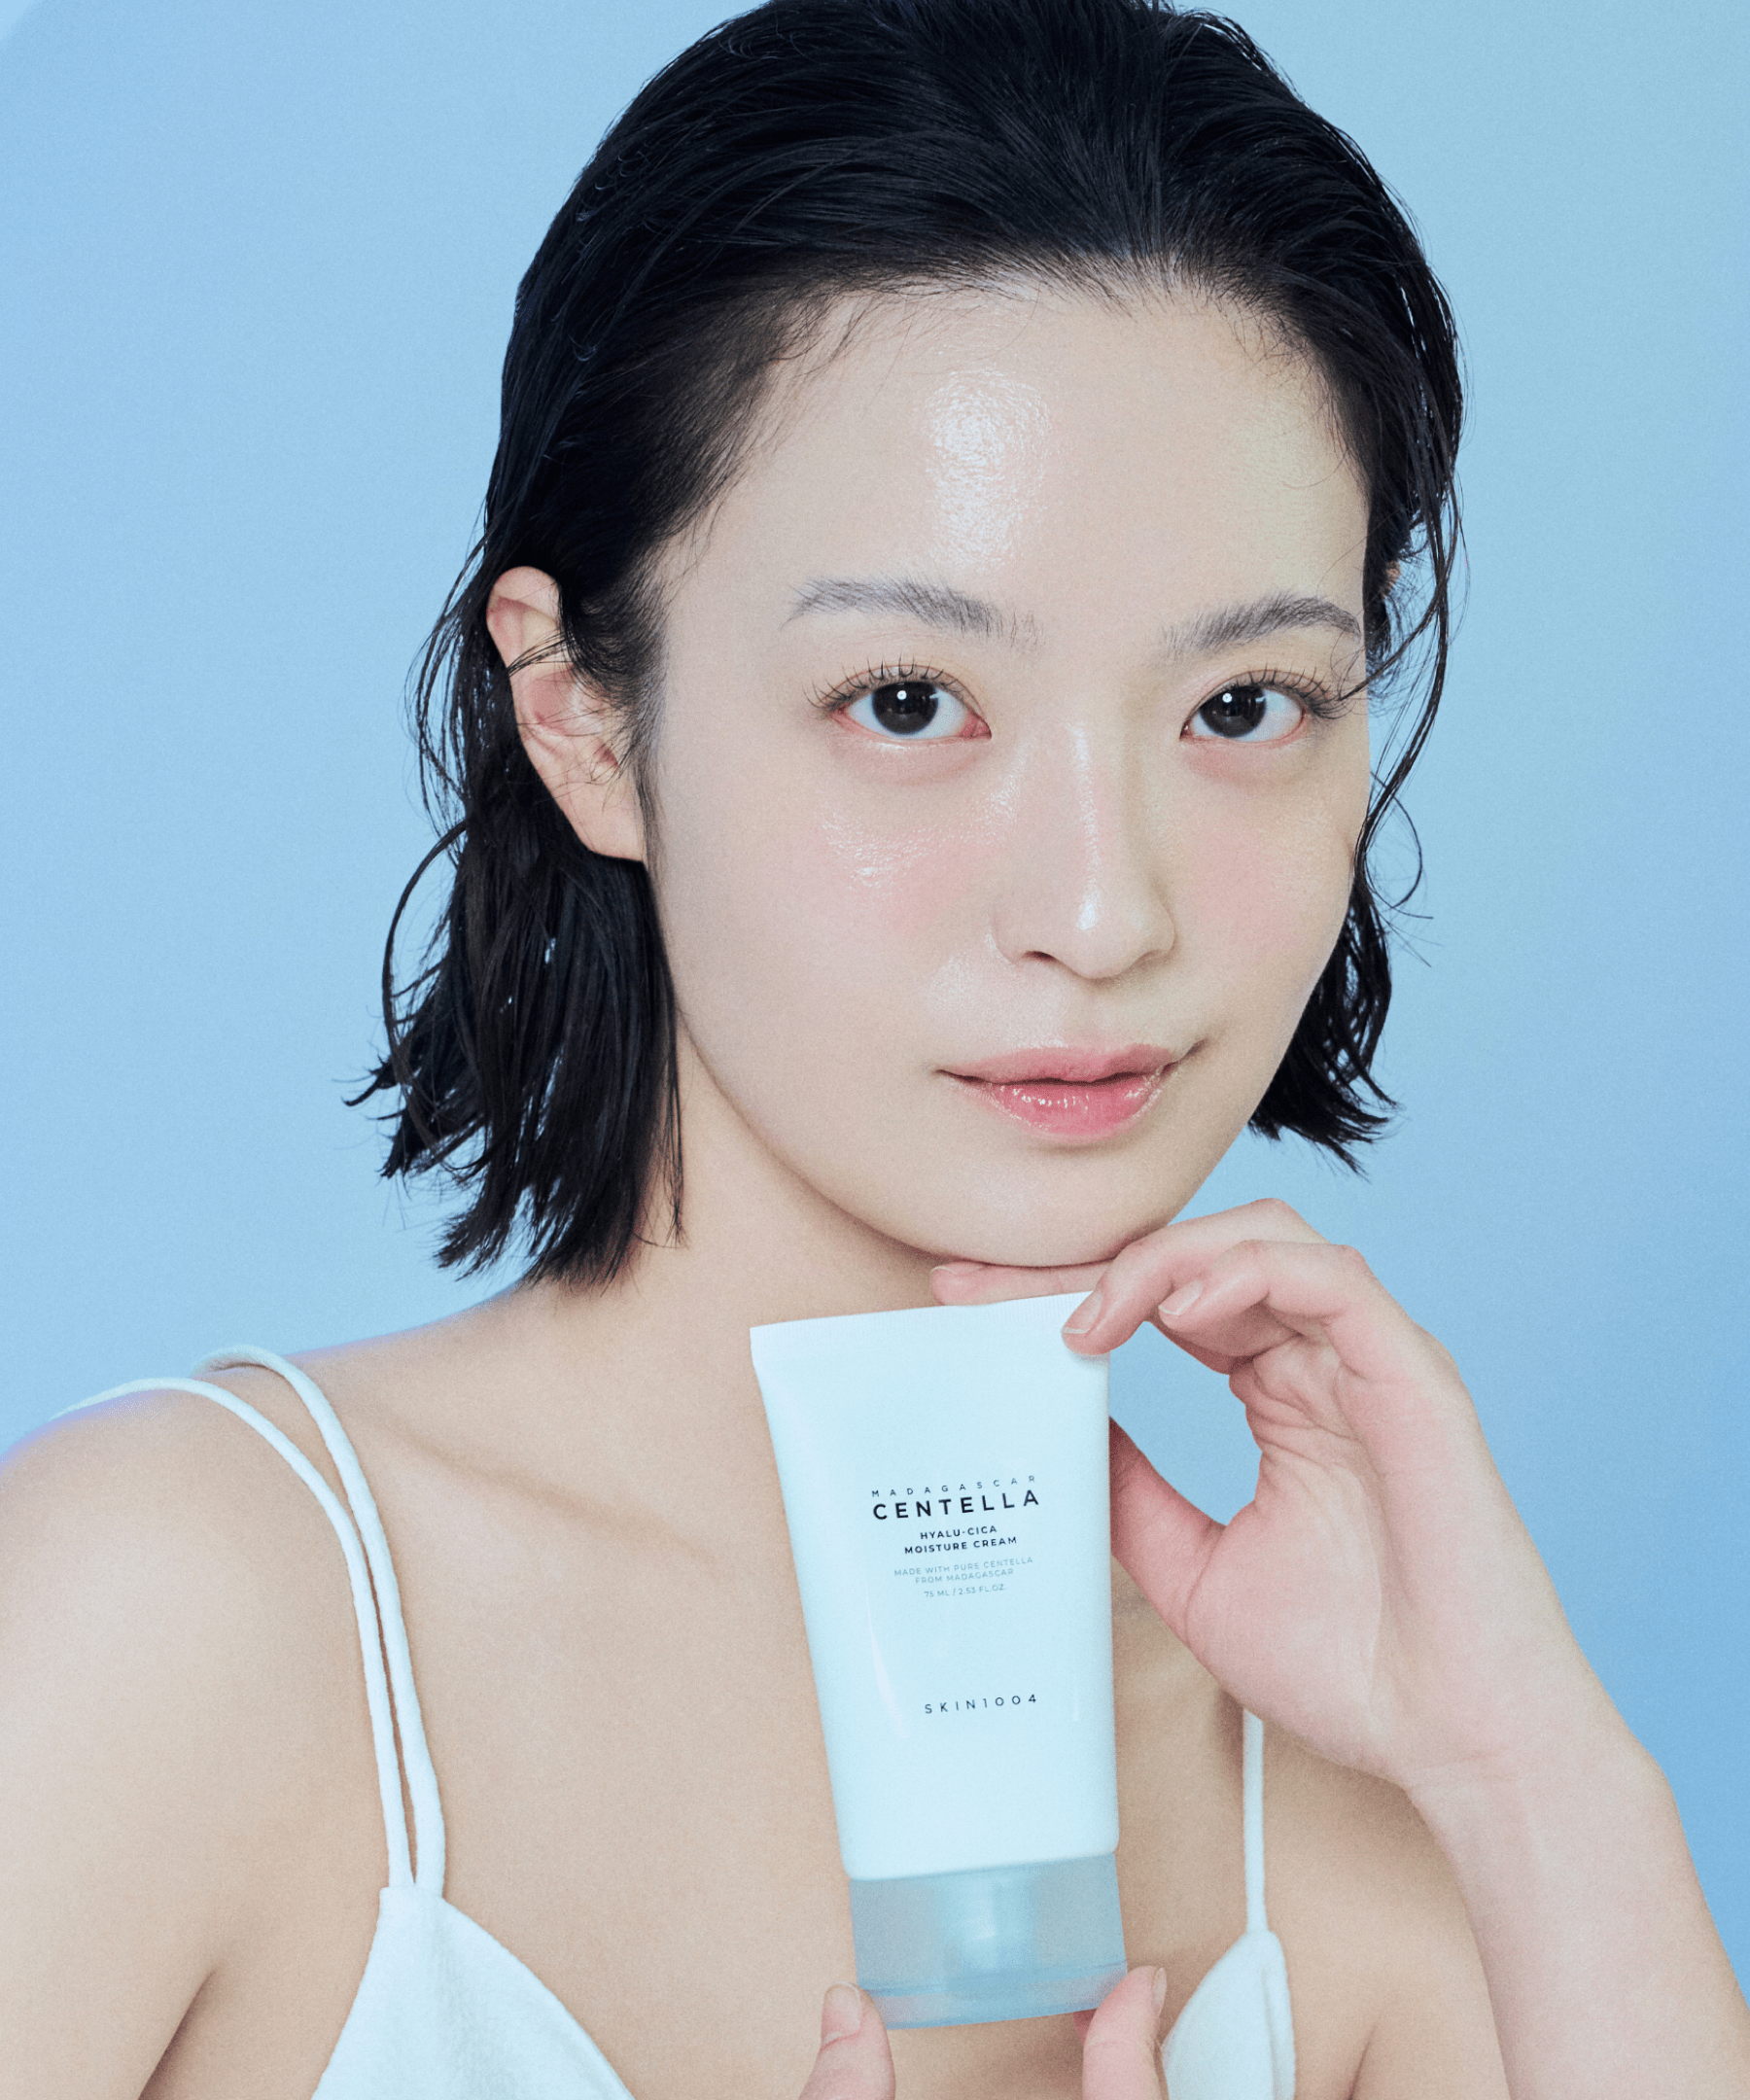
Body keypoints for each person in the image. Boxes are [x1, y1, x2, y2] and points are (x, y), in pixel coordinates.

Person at [1, 1, 1744, 2094]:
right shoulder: (168, 1626)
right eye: (909, 703)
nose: (1105, 911)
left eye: (1243, 707)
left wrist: (1536, 1771)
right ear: (586, 722)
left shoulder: (1380, 1802)